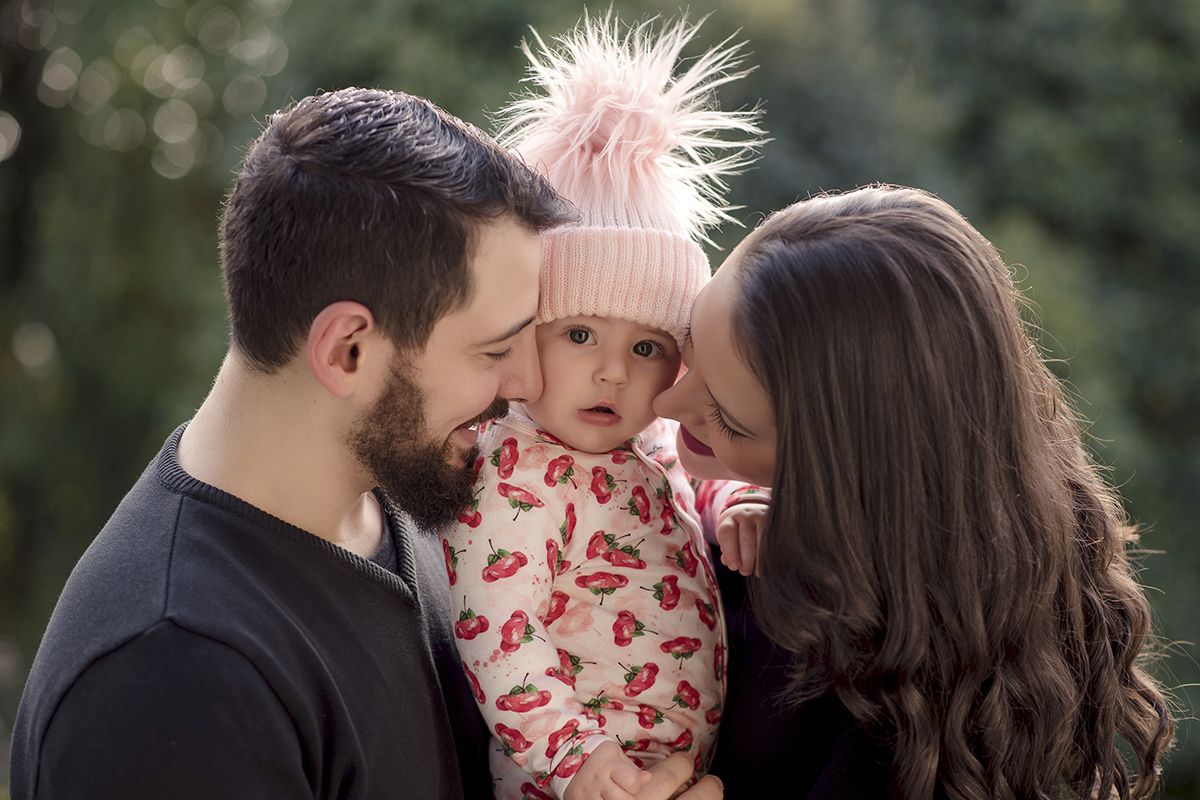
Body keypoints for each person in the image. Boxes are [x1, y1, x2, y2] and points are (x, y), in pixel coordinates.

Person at [9, 87, 720, 800]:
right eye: (494, 350)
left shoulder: (428, 498)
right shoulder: (172, 683)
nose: (526, 381)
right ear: (349, 351)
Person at [653, 183, 1176, 798]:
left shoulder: (918, 719)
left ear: (850, 470)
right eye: (689, 338)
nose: (663, 401)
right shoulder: (725, 527)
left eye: (727, 417)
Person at [441, 16, 766, 800]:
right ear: (527, 339)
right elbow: (497, 628)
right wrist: (576, 757)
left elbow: (684, 493)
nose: (614, 372)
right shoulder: (515, 475)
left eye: (648, 347)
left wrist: (732, 504)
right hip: (573, 779)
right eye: (581, 333)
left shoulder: (648, 445)